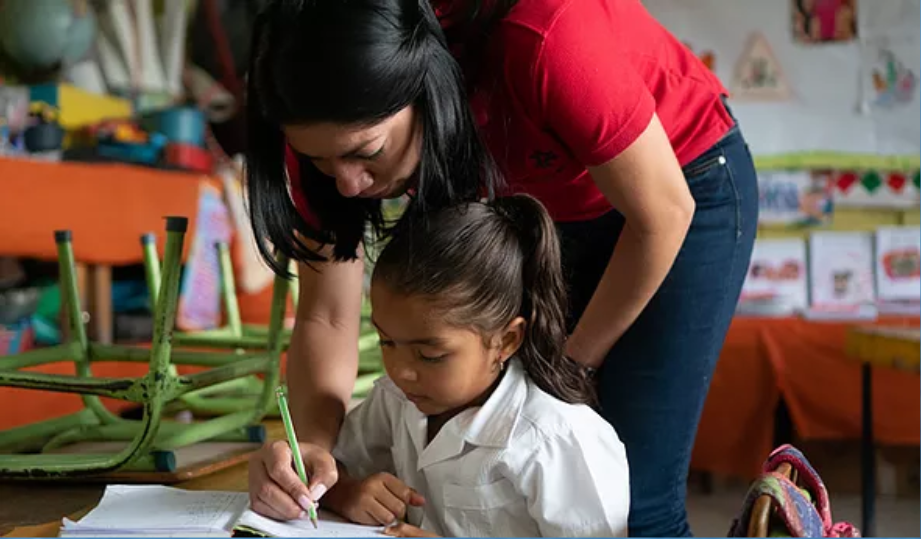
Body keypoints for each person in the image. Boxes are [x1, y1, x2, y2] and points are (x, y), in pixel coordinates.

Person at [244, 0, 759, 535]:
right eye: (320, 162)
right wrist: (311, 455)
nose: (347, 183)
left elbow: (663, 212)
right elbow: (326, 317)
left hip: (676, 191)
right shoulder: (320, 124)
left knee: (635, 495)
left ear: (427, 86)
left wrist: (567, 367)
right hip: (534, 205)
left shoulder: (542, 36)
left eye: (367, 152)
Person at [314, 195, 629, 537]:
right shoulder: (396, 399)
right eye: (387, 342)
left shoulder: (557, 441)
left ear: (506, 341)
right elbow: (334, 464)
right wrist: (345, 493)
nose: (400, 370)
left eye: (430, 355)